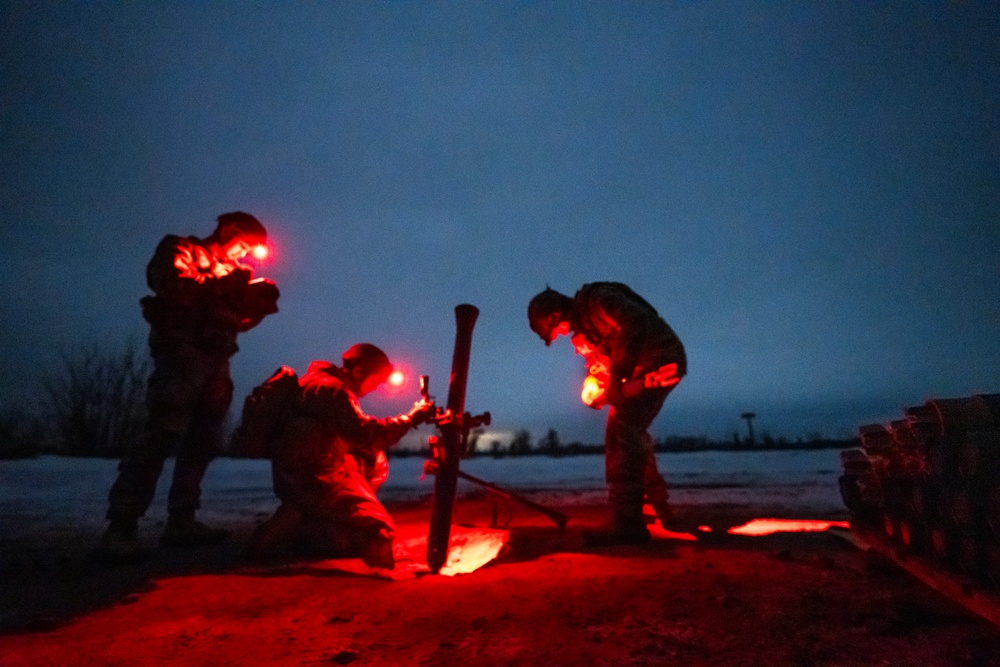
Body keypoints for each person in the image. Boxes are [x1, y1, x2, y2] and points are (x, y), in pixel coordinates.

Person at [99, 211, 280, 560]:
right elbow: (172, 287)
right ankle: (121, 526)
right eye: (246, 246)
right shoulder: (182, 250)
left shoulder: (232, 271)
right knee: (161, 434)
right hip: (183, 354)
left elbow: (234, 322)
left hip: (217, 360)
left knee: (202, 441)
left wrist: (256, 307)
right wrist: (225, 285)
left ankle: (182, 520)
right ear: (229, 230)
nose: (245, 256)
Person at [245, 343, 436, 570]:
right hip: (318, 479)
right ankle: (302, 522)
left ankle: (305, 516)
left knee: (375, 461)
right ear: (358, 371)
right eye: (376, 380)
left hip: (301, 472)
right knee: (380, 533)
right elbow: (367, 435)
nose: (375, 387)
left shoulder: (315, 383)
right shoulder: (333, 391)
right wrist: (411, 418)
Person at [528, 282, 687, 545]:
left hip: (659, 358)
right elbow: (606, 361)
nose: (559, 336)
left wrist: (616, 379)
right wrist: (596, 387)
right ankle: (662, 511)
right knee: (632, 431)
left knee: (623, 428)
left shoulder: (598, 301)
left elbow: (633, 324)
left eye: (554, 330)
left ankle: (627, 524)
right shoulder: (587, 328)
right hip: (644, 365)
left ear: (554, 315)